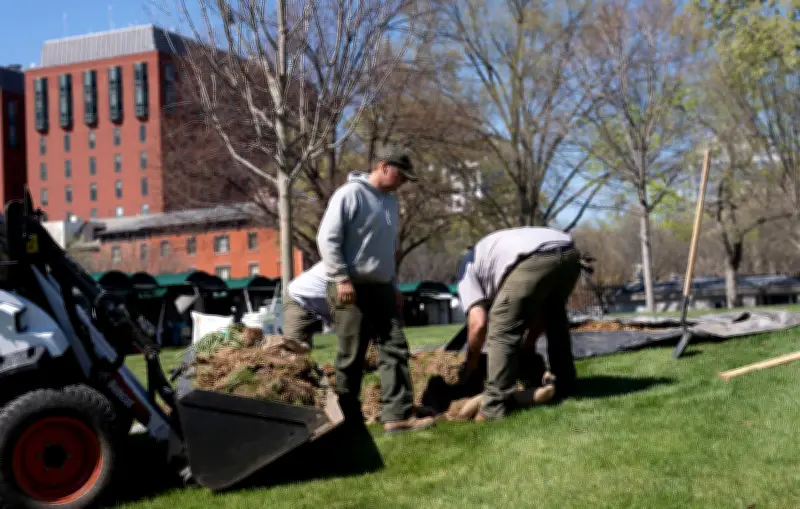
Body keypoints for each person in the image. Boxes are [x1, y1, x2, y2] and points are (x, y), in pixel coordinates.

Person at [317, 143, 435, 434]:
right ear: (384, 167)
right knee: (352, 355)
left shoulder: (391, 202)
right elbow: (327, 238)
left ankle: (397, 415)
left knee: (395, 347)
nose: (403, 181)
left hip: (382, 288)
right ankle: (347, 419)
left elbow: (388, 250)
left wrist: (393, 285)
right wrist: (341, 278)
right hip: (351, 288)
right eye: (401, 174)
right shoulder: (350, 194)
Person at [457, 226, 583, 421]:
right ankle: (566, 384)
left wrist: (471, 363)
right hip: (569, 252)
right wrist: (528, 344)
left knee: (501, 327)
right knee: (554, 316)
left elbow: (478, 324)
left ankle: (493, 407)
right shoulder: (492, 254)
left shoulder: (467, 268)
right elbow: (540, 318)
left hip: (535, 255)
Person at [282, 262, 331, 348]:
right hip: (298, 299)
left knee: (313, 349)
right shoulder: (338, 264)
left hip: (319, 306)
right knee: (291, 347)